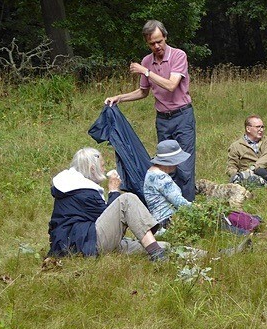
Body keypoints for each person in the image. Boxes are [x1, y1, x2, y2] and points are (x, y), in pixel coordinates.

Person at [104, 20, 196, 202]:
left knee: (184, 166)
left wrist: (145, 72)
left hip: (182, 116)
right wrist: (119, 97)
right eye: (151, 43)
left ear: (165, 37)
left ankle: (188, 210)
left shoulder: (178, 55)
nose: (156, 46)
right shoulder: (147, 61)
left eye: (159, 41)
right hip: (162, 119)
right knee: (166, 166)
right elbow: (143, 92)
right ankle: (169, 210)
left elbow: (171, 85)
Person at [48, 147, 166, 261]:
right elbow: (105, 216)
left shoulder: (73, 186)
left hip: (82, 240)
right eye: (102, 165)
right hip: (84, 245)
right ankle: (157, 254)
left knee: (165, 246)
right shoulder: (83, 192)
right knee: (127, 200)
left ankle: (156, 250)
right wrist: (113, 191)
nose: (104, 169)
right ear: (92, 168)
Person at [143, 139, 192, 228]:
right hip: (167, 224)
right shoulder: (162, 178)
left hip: (156, 223)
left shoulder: (150, 173)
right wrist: (201, 209)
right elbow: (180, 203)